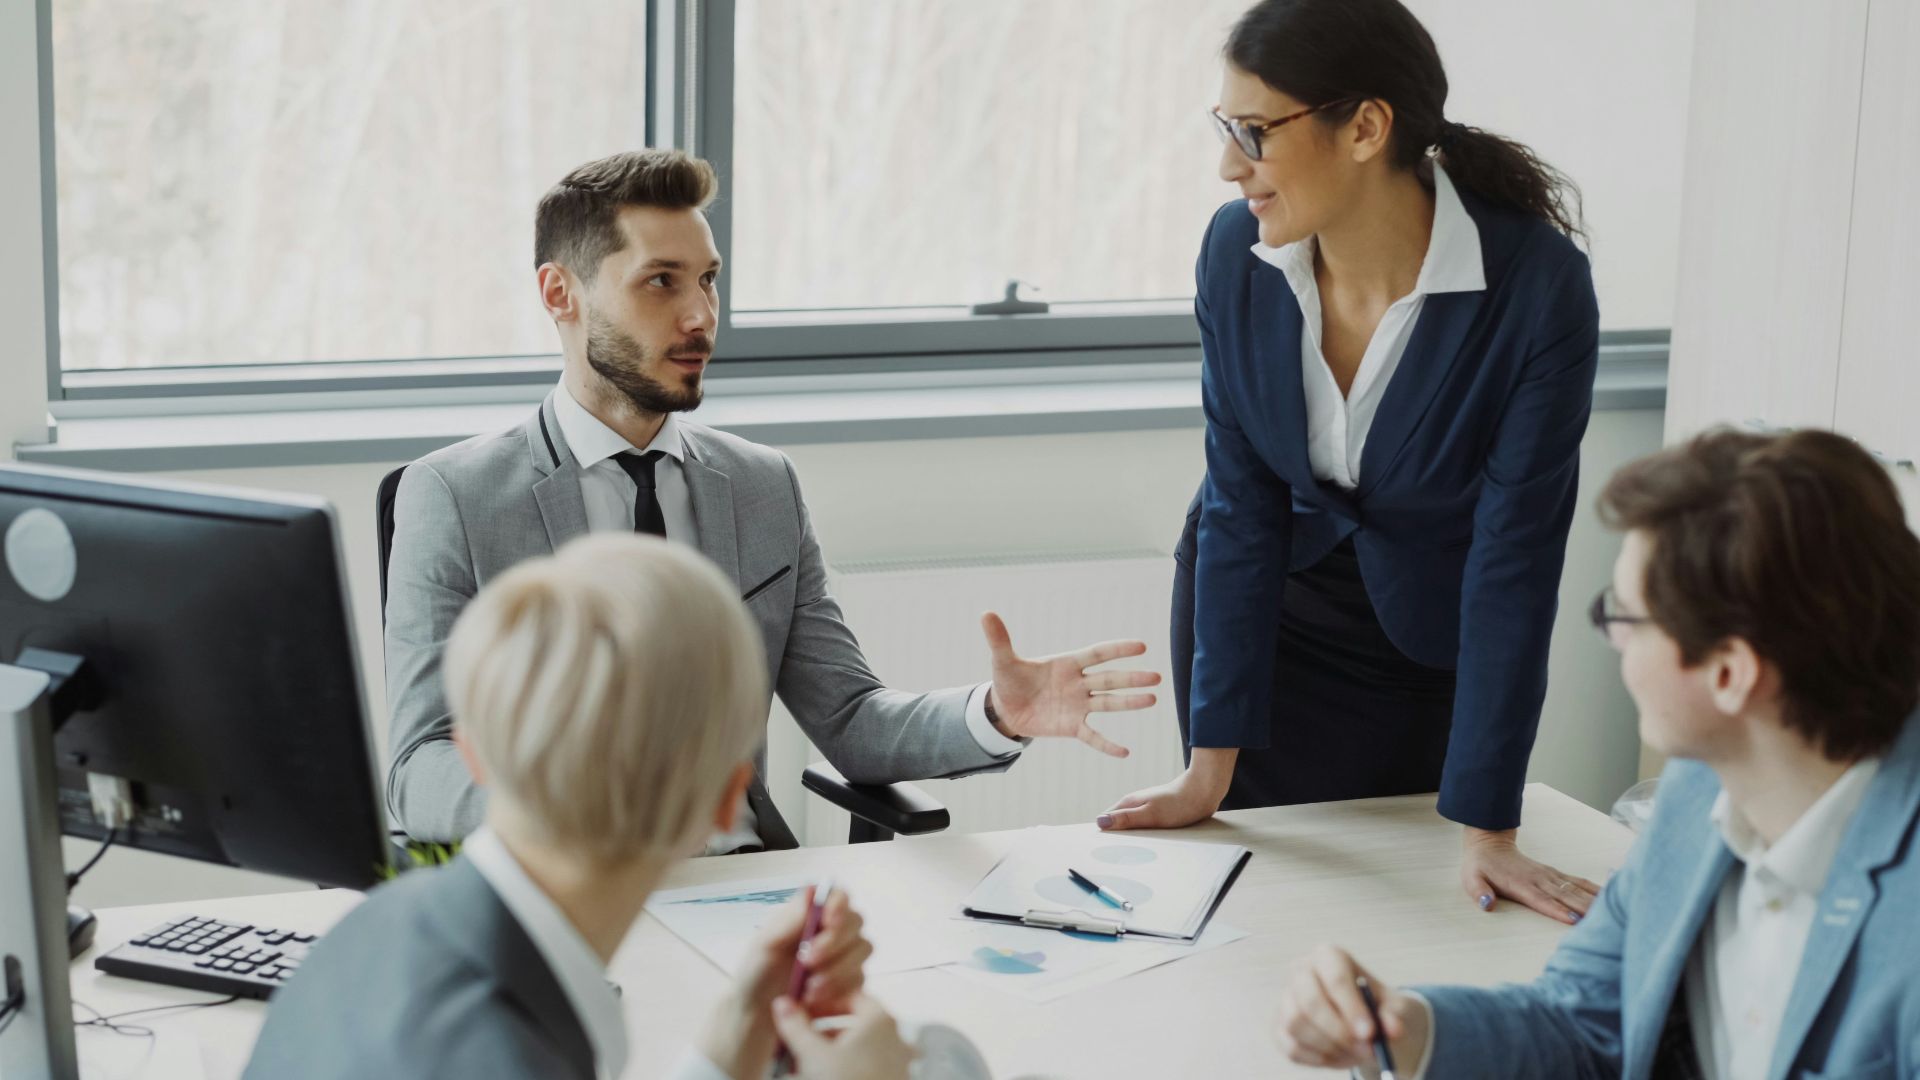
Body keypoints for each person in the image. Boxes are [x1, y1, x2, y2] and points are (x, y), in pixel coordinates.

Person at [386, 148, 1162, 849]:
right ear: (561, 293)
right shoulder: (455, 497)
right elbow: (419, 766)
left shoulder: (762, 488)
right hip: (561, 882)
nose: (701, 317)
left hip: (739, 882)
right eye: (661, 281)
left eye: (708, 280)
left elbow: (853, 721)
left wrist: (995, 714)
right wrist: (565, 813)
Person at [1101, 0, 1604, 924]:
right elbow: (1239, 504)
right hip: (1268, 622)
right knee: (1252, 915)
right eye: (1226, 128)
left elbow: (1515, 560)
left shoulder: (1536, 290)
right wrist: (1207, 768)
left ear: (1367, 126)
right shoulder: (1236, 254)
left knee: (1410, 920)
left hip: (1419, 643)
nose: (1228, 164)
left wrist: (1492, 829)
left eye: (1254, 131)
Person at [1272, 428, 1920, 1079]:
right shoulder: (1701, 794)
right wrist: (1403, 1030)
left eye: (1626, 616)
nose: (1611, 641)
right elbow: (1581, 1022)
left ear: (1730, 674)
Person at [249, 535, 923, 1079]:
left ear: (472, 752)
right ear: (725, 803)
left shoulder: (375, 927)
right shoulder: (506, 1054)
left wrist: (738, 1030)